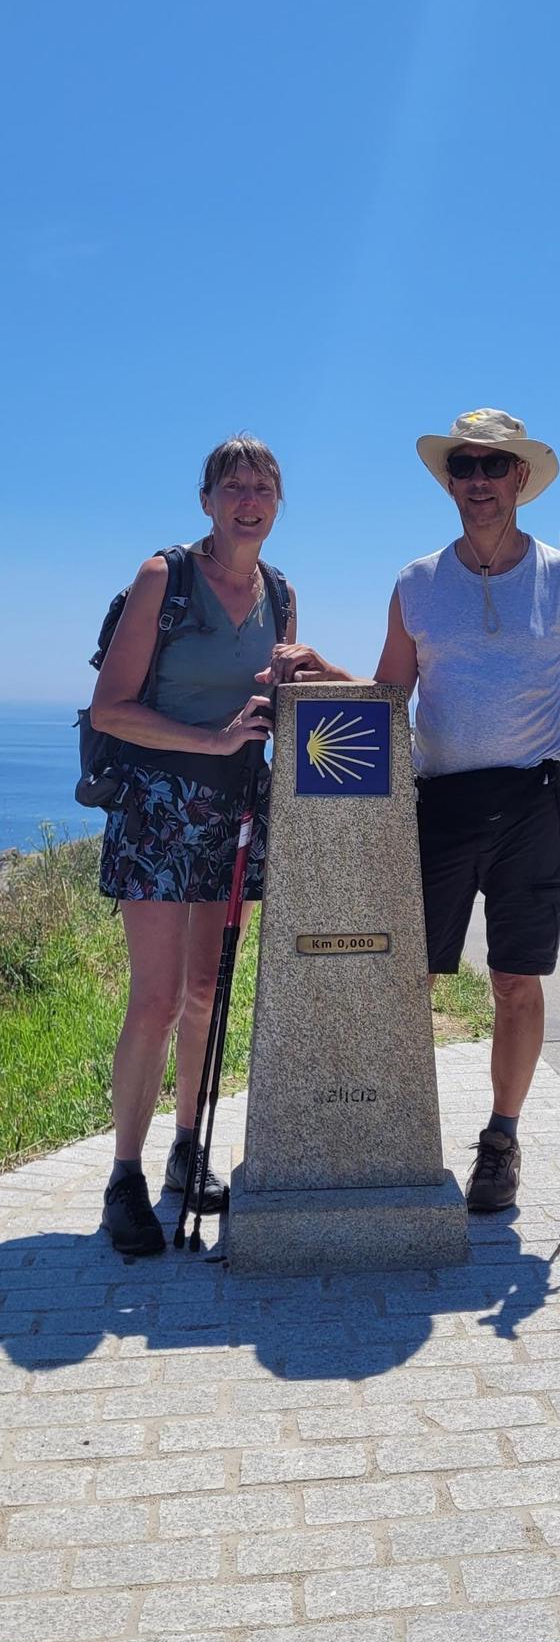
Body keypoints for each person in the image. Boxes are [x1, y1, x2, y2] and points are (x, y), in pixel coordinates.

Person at [270, 407, 560, 1213]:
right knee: (411, 974)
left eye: (494, 466)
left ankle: (501, 1140)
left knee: (516, 980)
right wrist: (324, 672)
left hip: (531, 796)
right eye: (465, 467)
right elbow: (393, 696)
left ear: (520, 478)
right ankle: (392, 1129)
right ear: (450, 481)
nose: (479, 481)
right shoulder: (417, 583)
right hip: (439, 800)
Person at [90, 435, 296, 1255]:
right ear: (206, 501)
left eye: (263, 489)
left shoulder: (281, 594)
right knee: (157, 998)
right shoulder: (164, 577)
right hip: (156, 806)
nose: (249, 501)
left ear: (278, 504)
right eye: (233, 487)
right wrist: (211, 741)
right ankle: (124, 1176)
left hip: (234, 808)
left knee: (207, 991)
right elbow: (110, 708)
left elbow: (276, 702)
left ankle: (186, 1152)